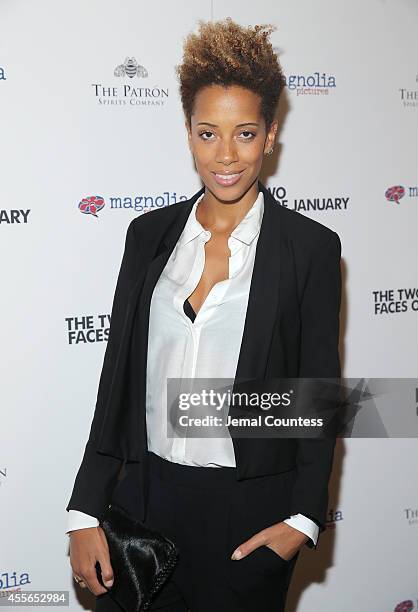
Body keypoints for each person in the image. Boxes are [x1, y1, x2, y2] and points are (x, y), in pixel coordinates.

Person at [66, 17, 342, 612]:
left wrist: (303, 518)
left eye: (245, 133)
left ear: (270, 135)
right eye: (207, 133)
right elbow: (116, 382)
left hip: (248, 519)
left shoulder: (310, 249)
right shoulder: (147, 235)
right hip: (143, 506)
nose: (225, 155)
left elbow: (319, 393)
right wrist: (84, 509)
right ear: (188, 133)